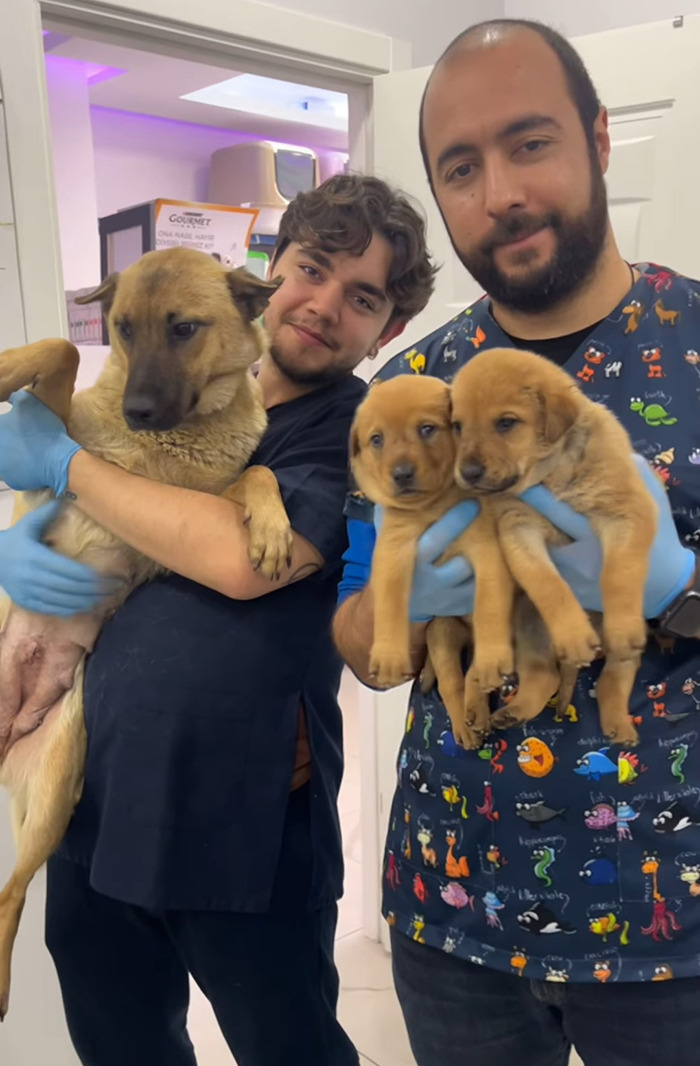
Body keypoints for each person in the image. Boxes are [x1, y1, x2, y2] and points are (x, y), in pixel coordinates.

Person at [0, 172, 436, 1066]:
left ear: (386, 330)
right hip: (98, 797)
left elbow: (241, 563)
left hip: (246, 819)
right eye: (313, 270)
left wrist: (65, 468)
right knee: (121, 1044)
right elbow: (80, 528)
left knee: (291, 1046)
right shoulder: (147, 393)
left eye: (362, 299)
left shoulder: (357, 427)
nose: (322, 307)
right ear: (273, 272)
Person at [333, 20, 700, 1066]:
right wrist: (401, 594)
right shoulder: (407, 390)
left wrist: (670, 589)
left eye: (528, 143)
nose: (496, 192)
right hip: (455, 909)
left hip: (671, 929)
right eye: (460, 166)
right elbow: (362, 643)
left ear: (596, 139)